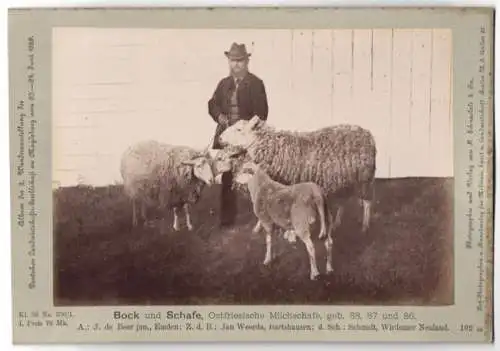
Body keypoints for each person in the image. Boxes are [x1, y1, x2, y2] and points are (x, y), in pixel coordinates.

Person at [208, 42, 269, 228]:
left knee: (252, 177)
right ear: (229, 61)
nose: (236, 65)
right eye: (233, 61)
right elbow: (212, 104)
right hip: (227, 139)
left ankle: (259, 218)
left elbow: (262, 113)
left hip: (247, 140)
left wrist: (245, 129)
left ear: (247, 61)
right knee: (227, 177)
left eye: (240, 61)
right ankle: (227, 221)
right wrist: (219, 116)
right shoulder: (223, 84)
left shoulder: (256, 84)